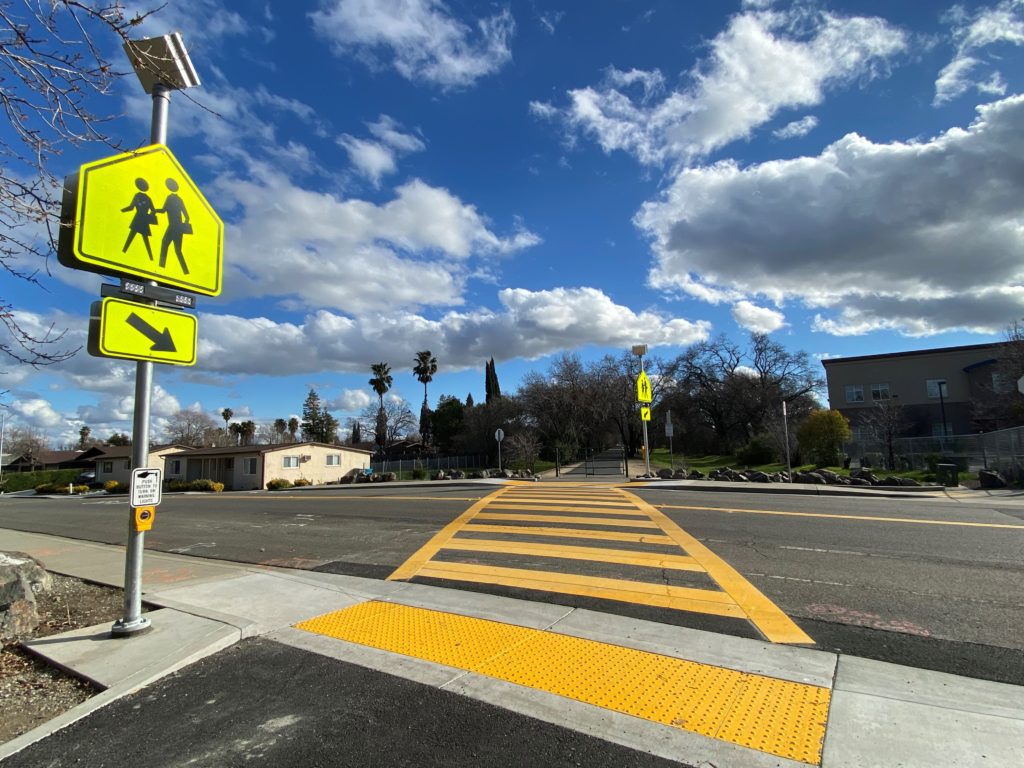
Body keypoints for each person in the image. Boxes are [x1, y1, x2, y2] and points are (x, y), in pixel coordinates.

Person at [155, 177, 191, 274]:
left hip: (172, 226)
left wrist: (155, 210)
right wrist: (184, 224)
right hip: (179, 228)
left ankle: (161, 266)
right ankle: (185, 271)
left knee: (164, 243)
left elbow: (163, 210)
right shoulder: (180, 199)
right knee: (178, 250)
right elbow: (187, 216)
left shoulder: (170, 198)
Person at [121, 178, 156, 260]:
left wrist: (122, 210)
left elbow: (131, 207)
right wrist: (148, 216)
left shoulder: (138, 196)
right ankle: (150, 257)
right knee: (142, 238)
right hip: (144, 219)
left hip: (138, 218)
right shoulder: (148, 198)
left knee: (132, 236)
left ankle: (124, 251)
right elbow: (153, 211)